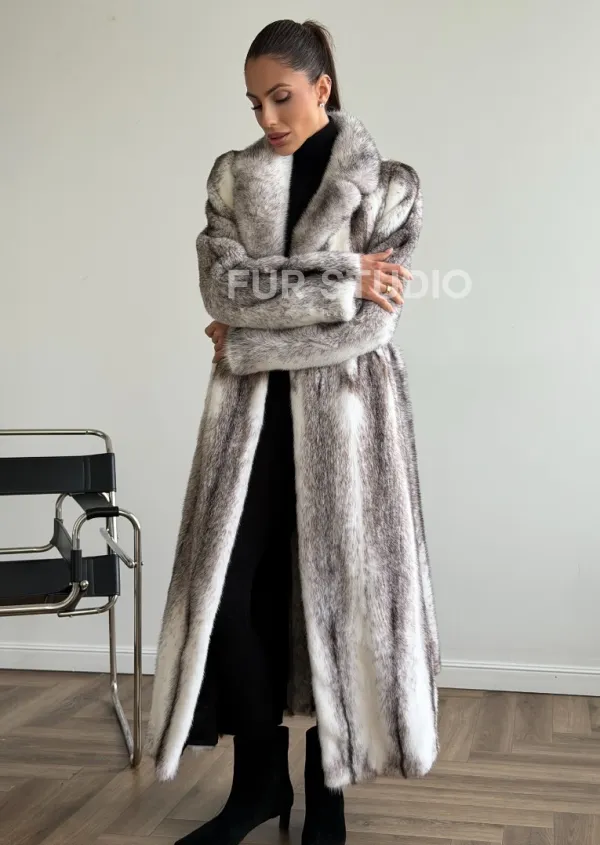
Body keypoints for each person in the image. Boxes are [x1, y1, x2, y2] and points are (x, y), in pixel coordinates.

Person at [146, 17, 441, 845]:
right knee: (232, 600)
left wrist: (247, 337)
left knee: (335, 603)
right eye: (254, 102)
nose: (267, 117)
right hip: (248, 429)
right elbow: (223, 291)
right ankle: (258, 787)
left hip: (350, 428)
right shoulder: (233, 178)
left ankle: (328, 795)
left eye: (281, 97)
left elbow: (371, 327)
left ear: (322, 87)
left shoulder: (390, 186)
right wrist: (341, 276)